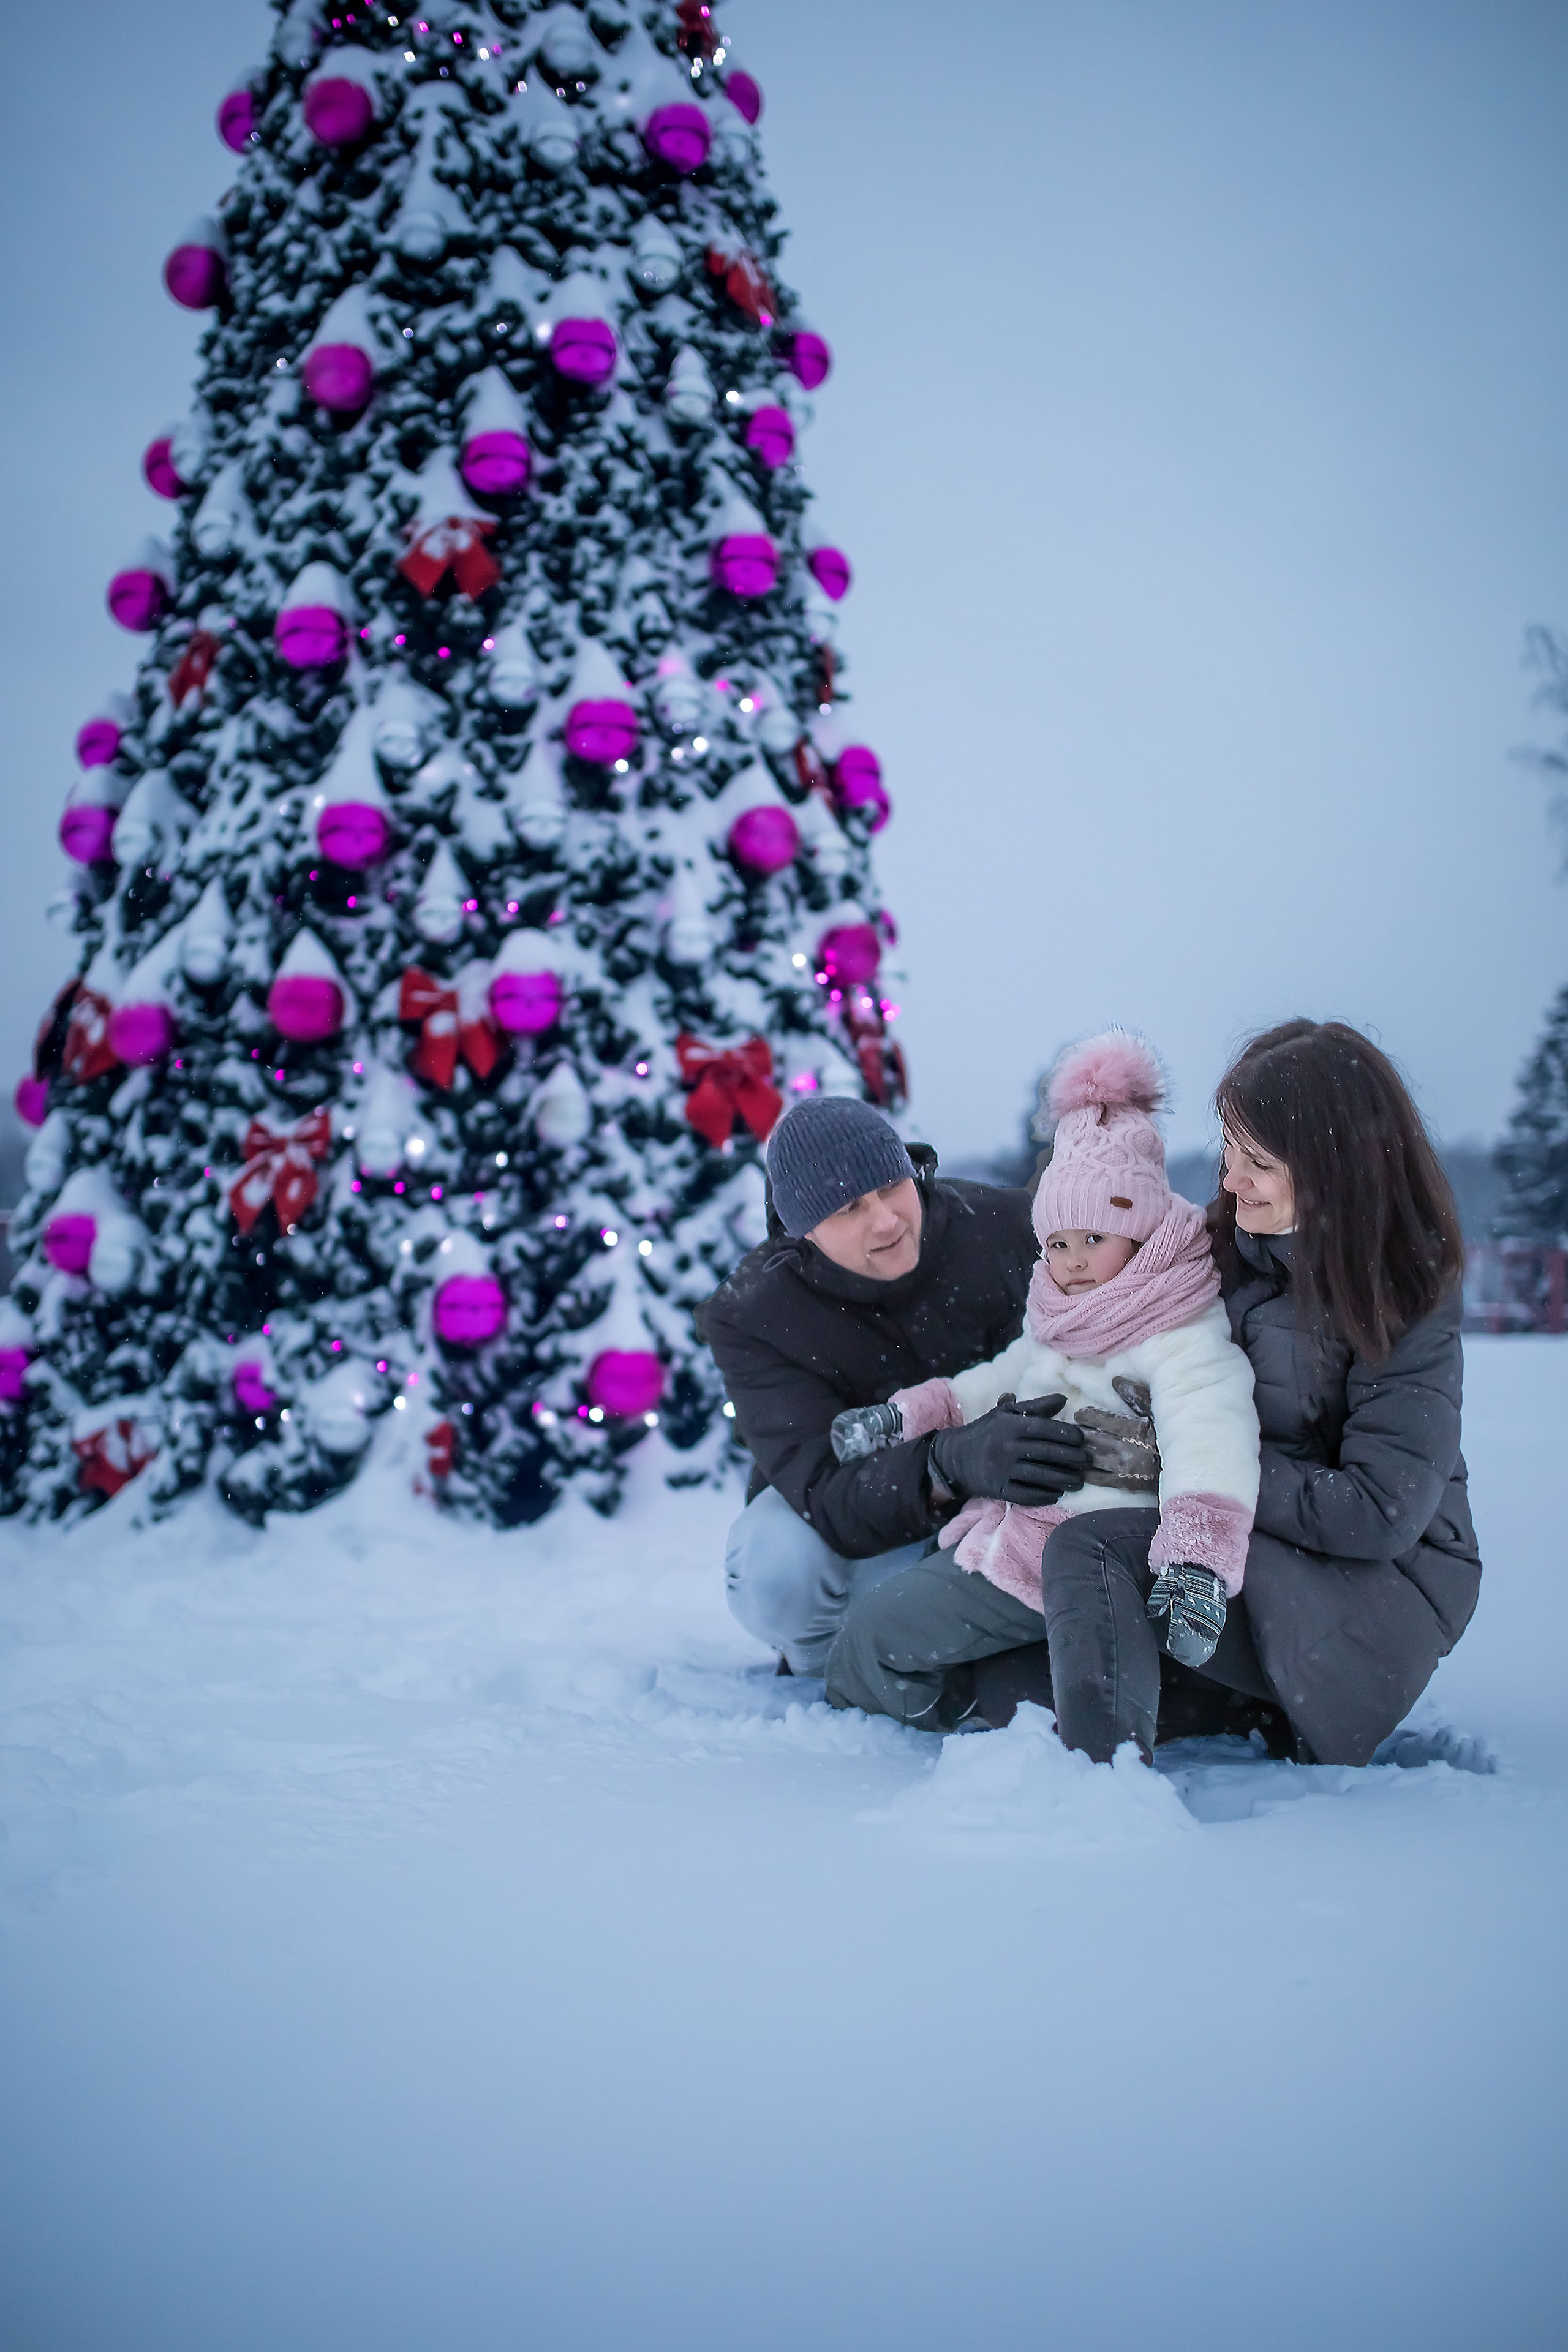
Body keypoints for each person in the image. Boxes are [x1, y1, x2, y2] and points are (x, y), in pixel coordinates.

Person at [828, 1019, 1482, 1768]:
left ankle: (1104, 1791)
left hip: (1355, 1601)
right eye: (1228, 1152)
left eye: (1257, 1163)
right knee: (1003, 1692)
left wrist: (1174, 1463)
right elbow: (1093, 1258)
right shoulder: (1218, 1248)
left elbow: (1378, 1512)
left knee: (1088, 1546)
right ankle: (1223, 1707)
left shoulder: (1405, 1296)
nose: (1229, 1181)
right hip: (1206, 1557)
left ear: (1333, 1166)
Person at [827, 1031, 1262, 1736]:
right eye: (1059, 1243)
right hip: (1017, 1535)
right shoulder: (1064, 1316)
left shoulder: (1175, 1329)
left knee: (873, 1640)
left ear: (1144, 1229)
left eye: (1095, 1237)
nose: (1075, 1261)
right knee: (872, 1637)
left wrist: (1195, 1565)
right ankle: (983, 1709)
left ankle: (958, 1723)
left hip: (1081, 1556)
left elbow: (1212, 1437)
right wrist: (909, 1415)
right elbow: (996, 1381)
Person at [701, 1093, 1101, 1677]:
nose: (886, 1220)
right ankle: (821, 1665)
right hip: (865, 1512)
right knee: (778, 1564)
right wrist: (945, 1463)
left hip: (1014, 1500)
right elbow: (824, 1490)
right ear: (804, 1229)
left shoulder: (1005, 1228)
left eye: (892, 1186)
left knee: (934, 1609)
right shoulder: (756, 1315)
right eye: (849, 1209)